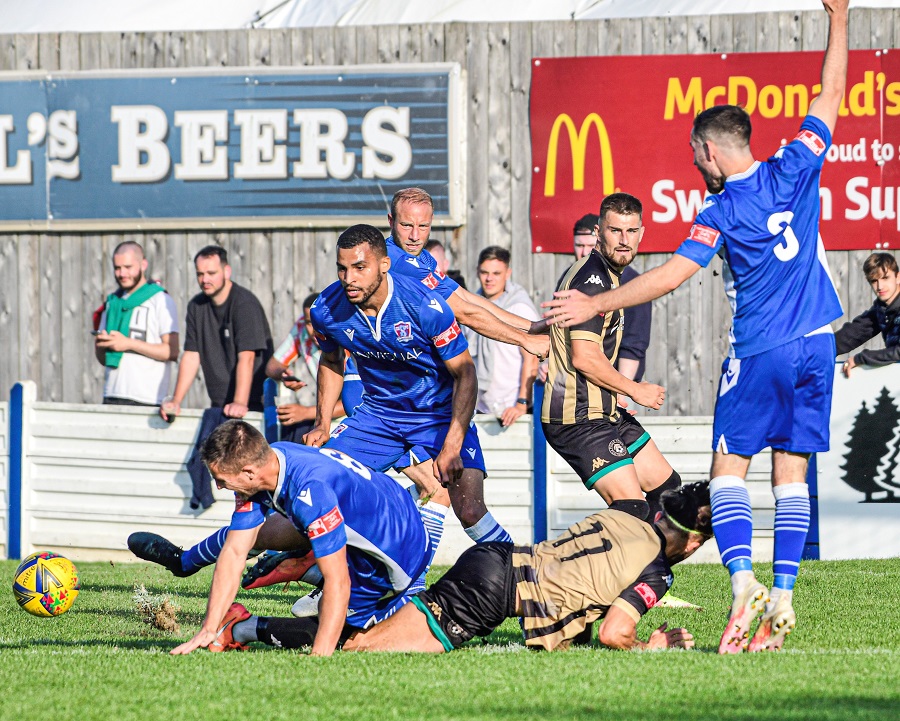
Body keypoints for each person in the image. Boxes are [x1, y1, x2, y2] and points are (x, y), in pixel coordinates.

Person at [543, 0, 849, 654]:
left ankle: (744, 589)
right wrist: (840, 18)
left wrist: (598, 305)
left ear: (710, 150)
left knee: (728, 469)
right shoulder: (797, 163)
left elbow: (676, 273)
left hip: (762, 346)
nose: (695, 165)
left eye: (694, 155)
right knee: (791, 471)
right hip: (819, 341)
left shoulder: (722, 206)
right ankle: (784, 597)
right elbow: (830, 92)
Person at [205, 481, 713, 654]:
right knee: (360, 645)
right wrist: (651, 644)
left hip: (495, 562)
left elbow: (586, 589)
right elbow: (614, 632)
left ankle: (254, 619)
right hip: (490, 594)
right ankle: (243, 628)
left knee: (368, 633)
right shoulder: (658, 571)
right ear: (692, 542)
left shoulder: (630, 510)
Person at [305, 224, 511, 550]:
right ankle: (331, 578)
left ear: (384, 264)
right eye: (342, 269)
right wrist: (322, 422)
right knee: (320, 481)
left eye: (359, 268)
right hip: (381, 416)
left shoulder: (425, 306)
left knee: (468, 509)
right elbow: (331, 361)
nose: (349, 278)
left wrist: (452, 446)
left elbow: (465, 373)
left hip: (437, 414)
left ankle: (521, 571)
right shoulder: (326, 310)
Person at [167, 420, 432, 657]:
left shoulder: (310, 492)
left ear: (248, 472)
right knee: (272, 534)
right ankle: (305, 565)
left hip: (396, 558)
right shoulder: (275, 456)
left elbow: (338, 580)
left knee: (350, 639)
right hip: (392, 508)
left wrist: (320, 657)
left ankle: (241, 626)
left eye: (221, 480)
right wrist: (208, 628)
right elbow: (235, 552)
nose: (219, 487)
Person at [543, 193, 681, 524]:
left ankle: (647, 574)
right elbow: (585, 358)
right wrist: (634, 389)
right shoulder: (593, 280)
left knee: (668, 491)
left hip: (605, 410)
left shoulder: (611, 277)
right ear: (599, 232)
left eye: (631, 232)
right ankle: (575, 570)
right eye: (615, 231)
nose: (623, 240)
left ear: (642, 233)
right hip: (577, 416)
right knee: (631, 508)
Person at [161, 245, 274, 509]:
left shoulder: (244, 303)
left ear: (226, 271)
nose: (205, 279)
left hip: (252, 404)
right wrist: (176, 400)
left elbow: (248, 357)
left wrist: (240, 402)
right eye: (200, 274)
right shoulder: (196, 306)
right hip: (221, 404)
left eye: (211, 272)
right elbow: (191, 356)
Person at [572, 213, 652, 397]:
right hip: (576, 386)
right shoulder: (572, 277)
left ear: (600, 240)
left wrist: (622, 394)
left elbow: (633, 346)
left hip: (616, 387)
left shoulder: (632, 283)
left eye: (589, 246)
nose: (584, 252)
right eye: (579, 246)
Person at [94, 241, 179, 406]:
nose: (122, 273)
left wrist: (128, 344)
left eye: (128, 267)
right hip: (112, 392)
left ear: (143, 265)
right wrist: (101, 345)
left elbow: (172, 351)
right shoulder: (112, 303)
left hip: (147, 397)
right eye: (117, 268)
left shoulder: (160, 300)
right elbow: (103, 359)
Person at [265, 292, 355, 443]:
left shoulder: (348, 340)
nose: (314, 330)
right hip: (322, 413)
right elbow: (272, 367)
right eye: (308, 322)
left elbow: (357, 400)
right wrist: (283, 375)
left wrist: (306, 413)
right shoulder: (302, 329)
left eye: (317, 322)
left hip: (353, 416)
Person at [468, 246, 539, 426]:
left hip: (512, 411)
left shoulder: (519, 307)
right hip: (479, 408)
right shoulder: (470, 304)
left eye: (496, 273)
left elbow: (532, 360)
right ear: (477, 272)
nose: (489, 279)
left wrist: (521, 403)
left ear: (508, 273)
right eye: (484, 272)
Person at [836, 252, 900, 377]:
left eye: (885, 278)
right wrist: (816, 352)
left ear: (898, 277)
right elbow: (851, 335)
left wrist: (861, 358)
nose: (880, 286)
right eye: (874, 281)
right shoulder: (881, 309)